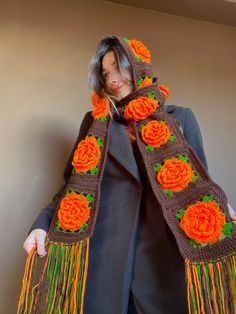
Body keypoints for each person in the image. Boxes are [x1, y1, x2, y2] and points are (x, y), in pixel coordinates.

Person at [20, 36, 236, 314]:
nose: (112, 79)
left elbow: (199, 182)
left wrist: (220, 206)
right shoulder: (94, 123)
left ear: (138, 66)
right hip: (104, 255)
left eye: (118, 67)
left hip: (164, 257)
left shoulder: (180, 118)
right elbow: (72, 188)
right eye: (105, 73)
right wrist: (40, 225)